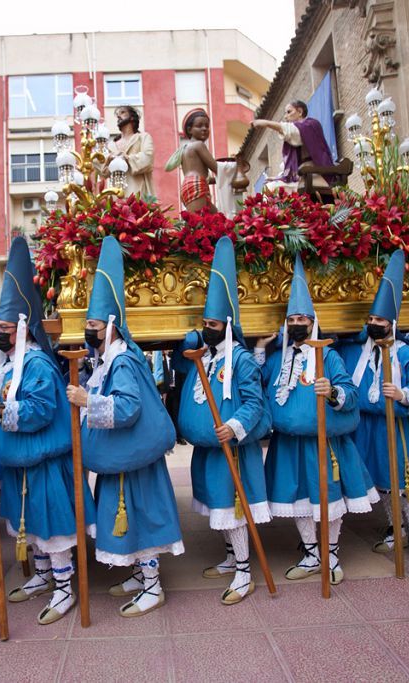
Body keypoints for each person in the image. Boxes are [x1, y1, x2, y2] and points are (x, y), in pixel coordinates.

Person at [0, 236, 95, 626]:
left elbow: (41, 410)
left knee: (52, 528)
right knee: (28, 526)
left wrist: (0, 408)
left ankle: (63, 588)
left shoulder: (39, 364)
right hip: (17, 461)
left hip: (43, 461)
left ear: (22, 329)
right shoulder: (5, 362)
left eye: (4, 327)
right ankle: (43, 577)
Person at [66, 236, 182, 617]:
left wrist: (88, 402)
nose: (89, 331)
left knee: (142, 518)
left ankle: (152, 586)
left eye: (94, 325)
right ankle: (138, 575)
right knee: (128, 519)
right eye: (87, 324)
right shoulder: (106, 361)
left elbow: (129, 408)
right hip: (121, 459)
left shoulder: (123, 362)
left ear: (111, 327)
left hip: (135, 462)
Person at [255, 253, 376, 584]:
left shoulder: (329, 355)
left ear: (312, 322)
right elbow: (258, 381)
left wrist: (333, 392)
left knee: (329, 499)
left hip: (326, 444)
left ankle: (332, 554)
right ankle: (311, 553)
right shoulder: (279, 358)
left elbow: (351, 391)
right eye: (291, 319)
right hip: (288, 445)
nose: (296, 324)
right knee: (299, 501)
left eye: (302, 319)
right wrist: (260, 351)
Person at [177, 236, 270, 604]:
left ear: (227, 325)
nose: (207, 328)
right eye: (205, 323)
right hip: (209, 452)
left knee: (234, 511)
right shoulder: (209, 356)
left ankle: (245, 573)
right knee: (219, 509)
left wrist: (233, 426)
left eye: (214, 323)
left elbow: (255, 402)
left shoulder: (242, 359)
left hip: (233, 450)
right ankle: (233, 558)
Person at [340, 251, 409, 569]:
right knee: (384, 482)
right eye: (370, 320)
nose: (373, 325)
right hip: (370, 430)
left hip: (403, 429)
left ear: (392, 323)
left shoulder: (408, 355)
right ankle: (394, 527)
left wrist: (401, 393)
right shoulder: (356, 354)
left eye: (379, 321)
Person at [251, 100, 338, 191]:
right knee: (268, 186)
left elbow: (290, 131)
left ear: (300, 112)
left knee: (270, 189)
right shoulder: (300, 129)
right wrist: (277, 178)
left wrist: (266, 123)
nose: (285, 117)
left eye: (289, 112)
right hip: (303, 175)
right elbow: (291, 166)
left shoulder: (310, 124)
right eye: (285, 113)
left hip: (315, 175)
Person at [167, 110, 218, 212]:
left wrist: (215, 180)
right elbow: (217, 168)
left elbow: (200, 173)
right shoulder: (199, 145)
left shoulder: (184, 149)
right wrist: (232, 169)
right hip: (197, 185)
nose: (204, 129)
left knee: (215, 217)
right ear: (190, 130)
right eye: (199, 126)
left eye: (207, 126)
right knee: (199, 222)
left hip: (188, 185)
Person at [103, 105, 155, 198]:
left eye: (122, 113)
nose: (119, 116)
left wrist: (127, 158)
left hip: (138, 195)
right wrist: (108, 160)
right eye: (117, 115)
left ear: (132, 118)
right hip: (116, 197)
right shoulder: (111, 145)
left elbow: (148, 158)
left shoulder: (143, 138)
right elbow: (103, 171)